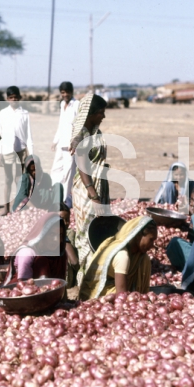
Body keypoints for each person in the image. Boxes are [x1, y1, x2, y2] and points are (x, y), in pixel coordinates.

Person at [70, 94, 110, 272]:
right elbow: (83, 166)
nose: (104, 116)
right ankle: (85, 277)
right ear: (90, 113)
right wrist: (93, 195)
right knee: (88, 234)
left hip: (97, 187)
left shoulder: (93, 130)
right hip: (87, 191)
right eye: (101, 112)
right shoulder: (81, 135)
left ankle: (97, 272)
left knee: (98, 231)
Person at [79, 216, 158, 299]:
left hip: (116, 296)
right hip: (99, 299)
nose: (152, 245)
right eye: (151, 240)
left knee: (144, 258)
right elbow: (122, 296)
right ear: (138, 235)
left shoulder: (140, 256)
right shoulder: (122, 256)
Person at [0, 86, 34, 215]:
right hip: (7, 149)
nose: (13, 100)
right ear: (7, 99)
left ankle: (17, 206)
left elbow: (28, 134)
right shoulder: (3, 113)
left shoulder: (24, 113)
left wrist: (31, 153)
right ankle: (6, 209)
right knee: (7, 179)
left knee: (19, 178)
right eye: (11, 97)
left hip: (21, 150)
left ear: (19, 98)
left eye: (16, 97)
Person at [5, 213, 67, 283]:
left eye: (60, 235)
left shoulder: (59, 253)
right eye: (51, 234)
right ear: (42, 235)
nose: (56, 239)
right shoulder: (26, 253)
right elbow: (24, 284)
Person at [50, 81, 80, 208]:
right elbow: (61, 124)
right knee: (56, 170)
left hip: (71, 145)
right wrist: (55, 140)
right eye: (63, 92)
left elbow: (79, 125)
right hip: (61, 143)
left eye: (67, 92)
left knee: (68, 173)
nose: (65, 95)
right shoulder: (62, 104)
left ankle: (66, 201)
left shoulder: (77, 104)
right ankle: (57, 196)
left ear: (72, 92)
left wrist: (76, 141)